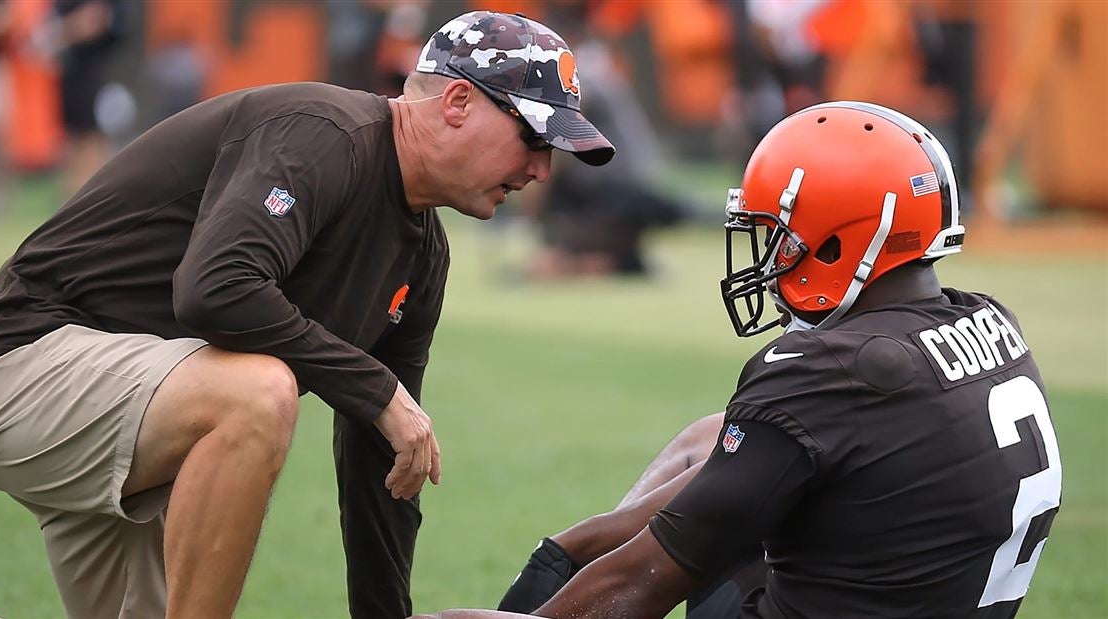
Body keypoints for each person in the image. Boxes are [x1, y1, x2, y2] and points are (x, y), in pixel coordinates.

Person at [0, 10, 613, 619]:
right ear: (458, 101)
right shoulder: (325, 135)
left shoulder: (422, 254)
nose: (541, 171)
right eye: (534, 137)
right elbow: (214, 288)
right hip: (19, 362)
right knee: (258, 394)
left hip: (135, 419)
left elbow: (384, 459)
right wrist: (376, 389)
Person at [412, 101, 1061, 619]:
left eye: (779, 237)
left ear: (839, 241)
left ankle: (561, 552)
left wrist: (549, 579)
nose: (768, 260)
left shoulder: (823, 370)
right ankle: (573, 544)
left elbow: (643, 582)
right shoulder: (989, 320)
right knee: (713, 437)